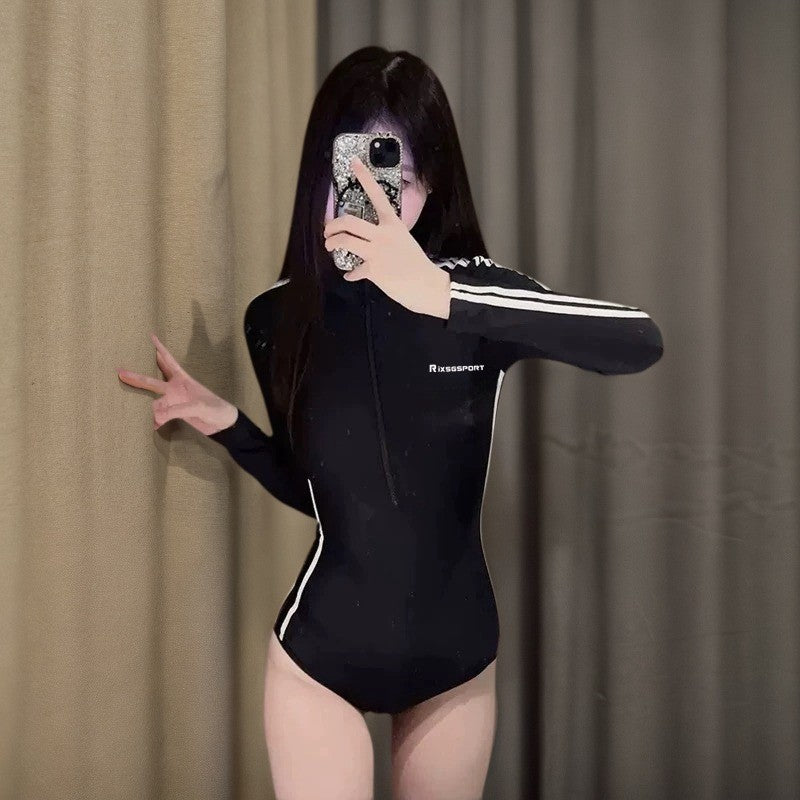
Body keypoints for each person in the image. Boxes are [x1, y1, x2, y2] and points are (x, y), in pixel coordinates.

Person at [117, 47, 663, 800]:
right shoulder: (276, 316)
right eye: (348, 175)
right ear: (318, 175)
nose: (363, 203)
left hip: (455, 664)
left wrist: (441, 295)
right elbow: (318, 493)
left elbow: (638, 340)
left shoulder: (476, 298)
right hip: (319, 661)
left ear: (429, 188)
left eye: (394, 181)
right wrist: (228, 422)